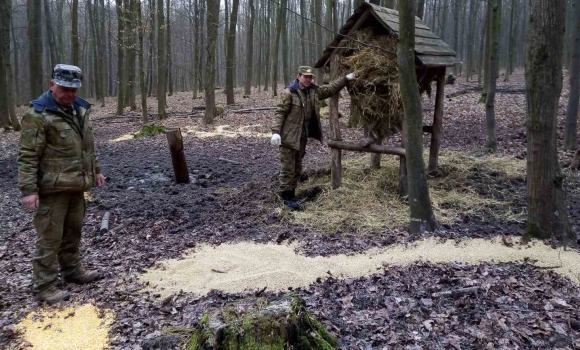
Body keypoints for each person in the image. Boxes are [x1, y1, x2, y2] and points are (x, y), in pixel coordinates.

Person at [18, 64, 106, 304]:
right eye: (65, 89)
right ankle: (44, 285)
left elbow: (88, 147)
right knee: (49, 237)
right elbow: (27, 156)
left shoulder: (80, 110)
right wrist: (28, 191)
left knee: (72, 232)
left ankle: (72, 270)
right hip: (52, 188)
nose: (70, 94)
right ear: (52, 85)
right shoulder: (38, 114)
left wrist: (96, 171)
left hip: (77, 185)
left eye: (74, 90)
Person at [271, 66, 355, 209]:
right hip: (289, 137)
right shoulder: (289, 92)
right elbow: (280, 113)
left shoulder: (314, 91)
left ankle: (292, 195)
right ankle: (286, 199)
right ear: (299, 76)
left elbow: (330, 89)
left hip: (302, 137)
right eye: (306, 77)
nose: (308, 79)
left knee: (297, 168)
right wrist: (275, 132)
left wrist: (345, 79)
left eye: (310, 77)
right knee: (288, 168)